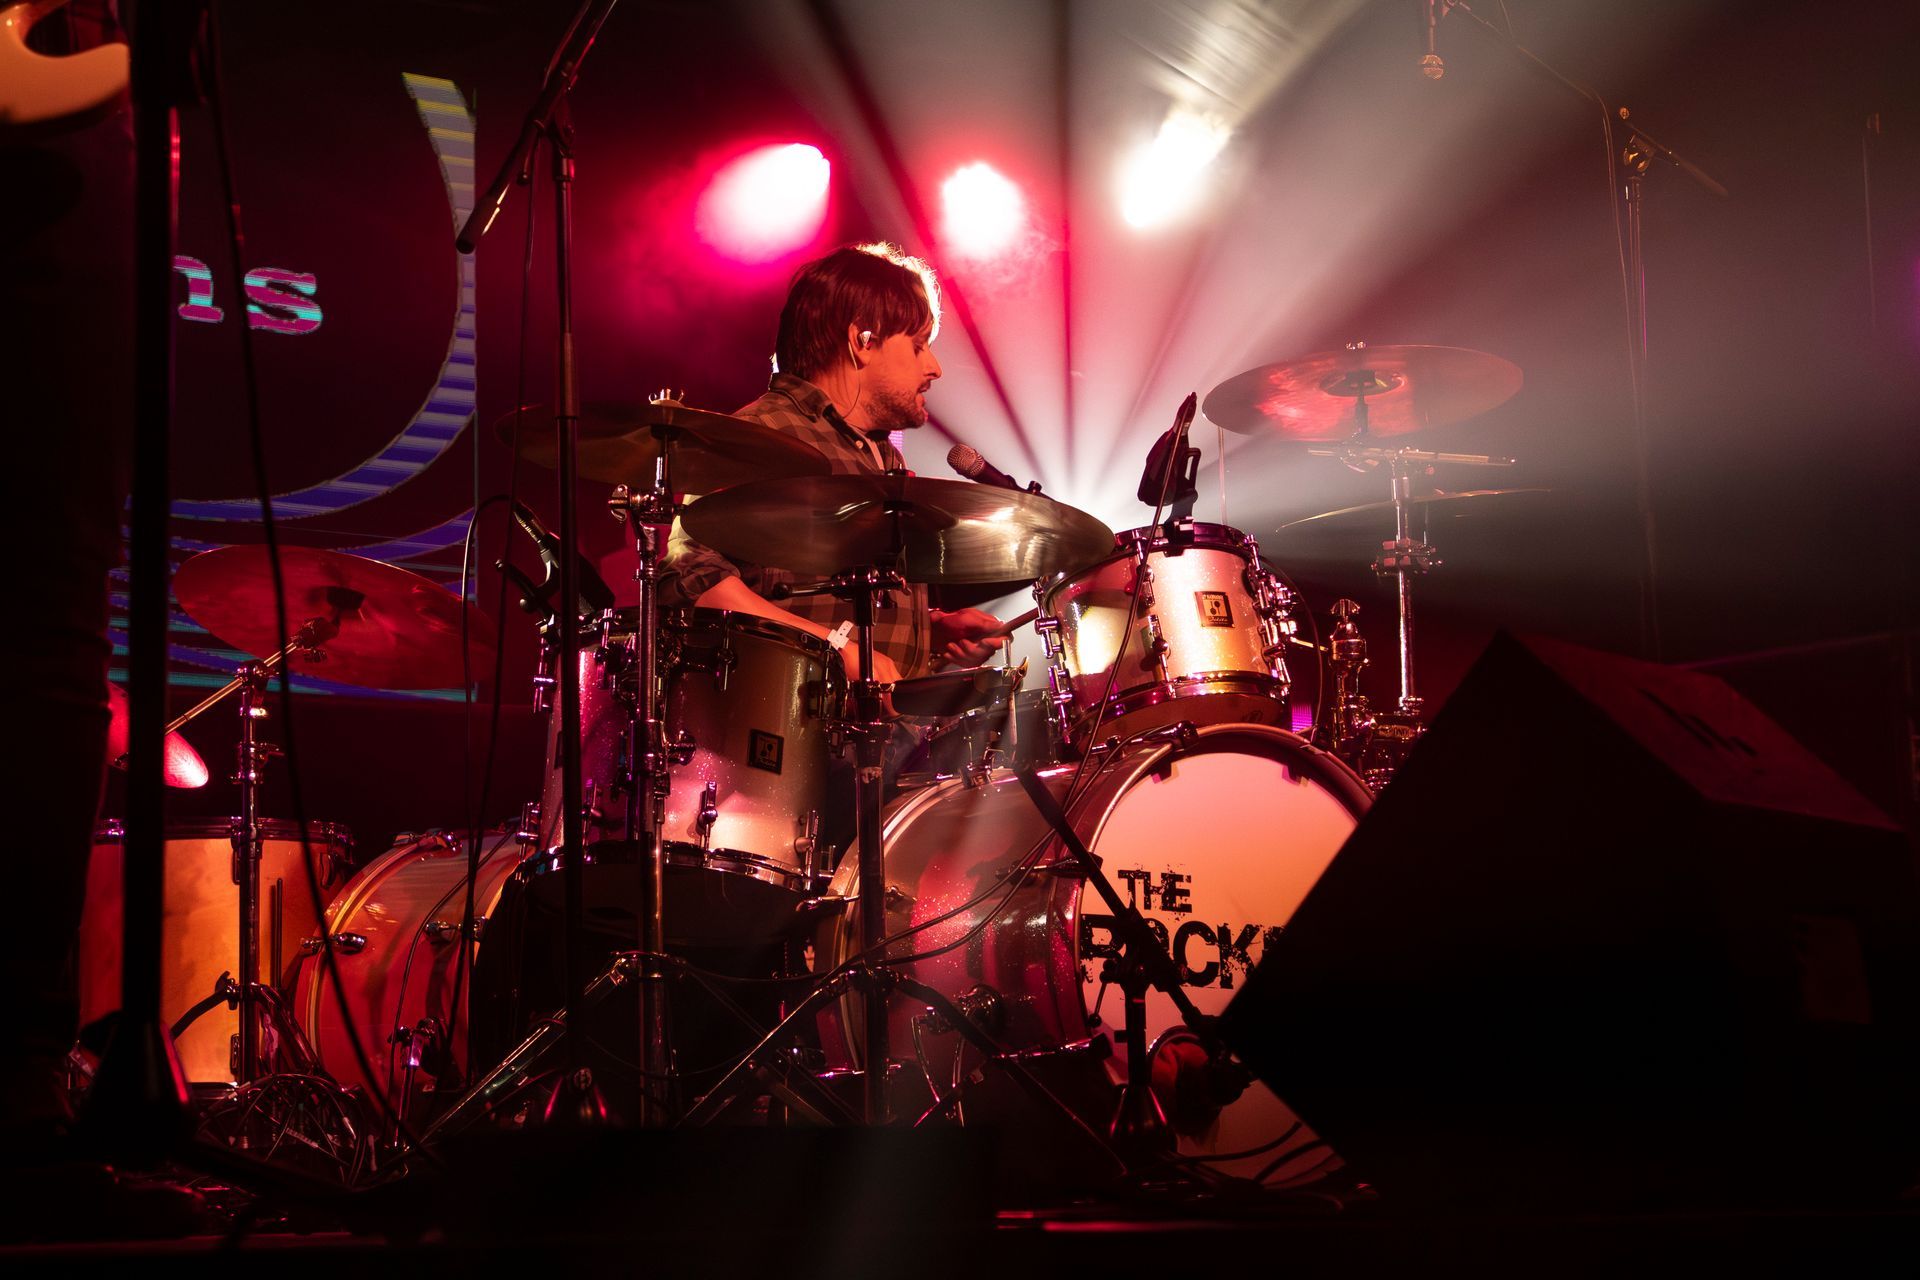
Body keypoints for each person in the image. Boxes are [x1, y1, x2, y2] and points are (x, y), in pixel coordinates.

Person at [661, 242, 1006, 684]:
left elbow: (846, 606)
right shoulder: (763, 435)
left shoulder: (882, 454)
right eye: (919, 345)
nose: (935, 367)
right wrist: (834, 650)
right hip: (790, 733)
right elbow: (692, 580)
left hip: (888, 740)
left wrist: (934, 629)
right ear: (863, 341)